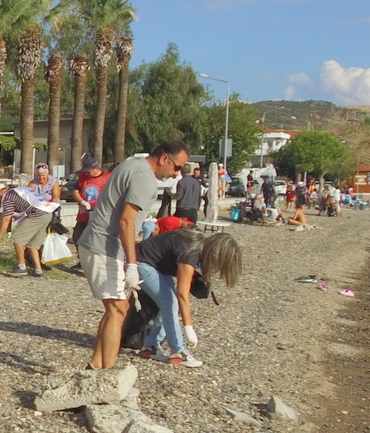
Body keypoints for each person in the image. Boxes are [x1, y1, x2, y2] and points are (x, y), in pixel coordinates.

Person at [77, 140, 190, 370]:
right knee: (118, 310)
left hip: (101, 245)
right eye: (177, 167)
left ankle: (96, 367)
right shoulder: (145, 177)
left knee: (115, 310)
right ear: (164, 158)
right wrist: (132, 263)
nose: (177, 174)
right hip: (104, 246)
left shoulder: (132, 163)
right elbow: (126, 220)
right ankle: (106, 374)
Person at [134, 230, 242, 367]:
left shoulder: (198, 245)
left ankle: (150, 347)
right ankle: (178, 351)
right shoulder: (191, 253)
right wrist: (188, 327)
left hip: (155, 265)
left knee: (169, 304)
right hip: (140, 261)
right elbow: (182, 295)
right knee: (170, 304)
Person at [5, 164, 61, 278]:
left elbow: (55, 197)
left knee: (18, 238)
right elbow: (28, 196)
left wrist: (47, 208)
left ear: (48, 174)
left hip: (49, 210)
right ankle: (38, 269)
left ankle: (22, 267)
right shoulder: (33, 183)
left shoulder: (53, 182)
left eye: (43, 175)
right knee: (34, 243)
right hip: (36, 212)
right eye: (39, 176)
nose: (41, 178)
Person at [70, 155, 110, 241]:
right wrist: (82, 201)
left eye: (89, 171)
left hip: (99, 213)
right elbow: (75, 191)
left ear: (95, 169)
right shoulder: (82, 177)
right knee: (78, 237)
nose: (86, 174)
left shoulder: (107, 177)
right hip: (84, 213)